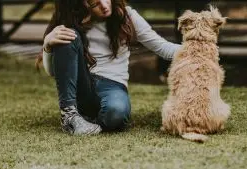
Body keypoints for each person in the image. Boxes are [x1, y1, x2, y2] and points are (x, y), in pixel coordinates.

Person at [39, 0, 181, 135]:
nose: (104, 5)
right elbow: (52, 72)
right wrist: (47, 45)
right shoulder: (70, 21)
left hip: (112, 85)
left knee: (116, 114)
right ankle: (69, 117)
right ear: (83, 3)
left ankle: (88, 122)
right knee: (66, 35)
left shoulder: (127, 16)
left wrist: (198, 48)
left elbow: (163, 47)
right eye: (95, 3)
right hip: (82, 85)